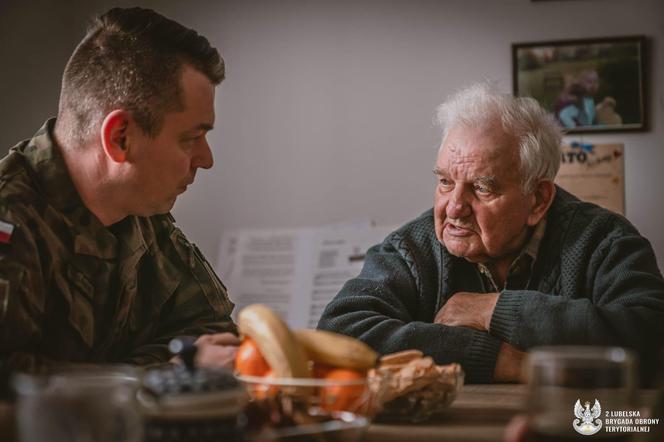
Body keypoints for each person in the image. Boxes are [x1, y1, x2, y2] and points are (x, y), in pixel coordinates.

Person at [318, 83, 664, 383]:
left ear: (538, 199)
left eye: (481, 188)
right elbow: (338, 332)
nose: (454, 208)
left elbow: (650, 332)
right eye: (444, 182)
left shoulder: (604, 240)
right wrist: (495, 359)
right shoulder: (411, 248)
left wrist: (495, 310)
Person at [0, 8, 240, 386]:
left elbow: (213, 333)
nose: (205, 160)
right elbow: (11, 390)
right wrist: (170, 372)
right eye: (191, 138)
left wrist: (152, 369)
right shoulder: (10, 221)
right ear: (120, 138)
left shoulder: (139, 210)